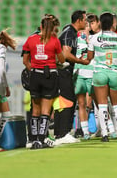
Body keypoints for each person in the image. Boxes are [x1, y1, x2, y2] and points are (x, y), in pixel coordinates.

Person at [23, 15, 65, 149]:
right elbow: (62, 60)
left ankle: (33, 140)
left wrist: (34, 70)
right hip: (50, 75)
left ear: (40, 26)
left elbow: (25, 61)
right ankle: (42, 139)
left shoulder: (31, 39)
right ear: (53, 28)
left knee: (35, 110)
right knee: (46, 111)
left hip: (35, 75)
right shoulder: (54, 41)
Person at [86, 12, 117, 142]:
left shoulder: (94, 38)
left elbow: (89, 57)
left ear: (100, 23)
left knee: (102, 105)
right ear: (112, 23)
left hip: (100, 73)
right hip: (114, 73)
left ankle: (105, 134)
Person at [54, 10, 89, 145]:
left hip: (65, 72)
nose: (86, 22)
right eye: (85, 20)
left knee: (68, 101)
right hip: (63, 72)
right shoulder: (69, 33)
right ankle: (62, 133)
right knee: (67, 101)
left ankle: (62, 132)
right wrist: (81, 61)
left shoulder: (70, 32)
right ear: (79, 20)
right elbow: (66, 54)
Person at [73, 23, 93, 140]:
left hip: (91, 73)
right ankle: (84, 131)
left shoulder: (94, 40)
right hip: (79, 73)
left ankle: (105, 129)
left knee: (91, 103)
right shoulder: (75, 40)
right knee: (81, 104)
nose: (85, 29)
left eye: (87, 27)